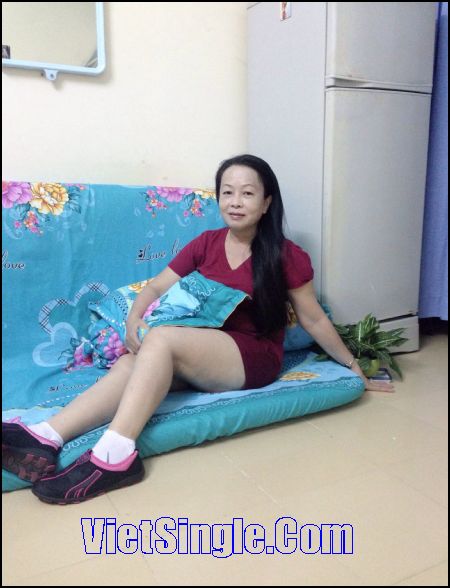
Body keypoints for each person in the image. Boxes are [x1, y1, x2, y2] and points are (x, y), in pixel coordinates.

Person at [2, 154, 394, 504]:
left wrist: (352, 365)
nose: (235, 202)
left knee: (162, 340)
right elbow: (155, 287)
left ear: (266, 203)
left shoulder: (286, 255)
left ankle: (115, 455)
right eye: (227, 192)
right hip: (204, 349)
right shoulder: (206, 243)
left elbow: (313, 319)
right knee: (130, 363)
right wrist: (134, 320)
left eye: (247, 193)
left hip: (251, 356)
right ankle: (45, 437)